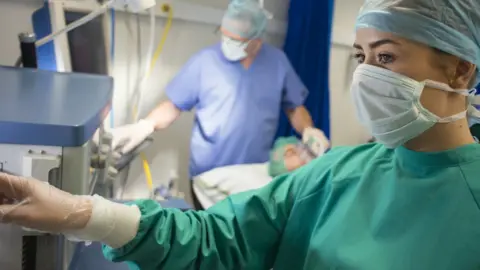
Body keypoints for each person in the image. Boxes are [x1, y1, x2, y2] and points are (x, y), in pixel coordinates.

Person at [1, 0, 480, 268]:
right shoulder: (335, 176)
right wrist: (79, 212)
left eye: (387, 57)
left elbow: (297, 110)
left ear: (461, 71)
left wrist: (310, 133)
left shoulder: (278, 68)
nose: (366, 77)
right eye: (360, 57)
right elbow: (222, 234)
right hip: (214, 178)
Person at [108, 0, 329, 209]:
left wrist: (308, 129)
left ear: (256, 41)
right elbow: (173, 106)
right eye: (225, 35)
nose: (227, 43)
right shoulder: (205, 62)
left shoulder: (277, 62)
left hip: (254, 175)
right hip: (208, 176)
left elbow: (294, 107)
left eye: (236, 40)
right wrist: (144, 126)